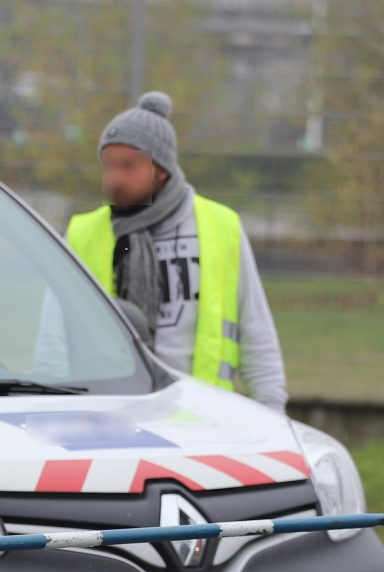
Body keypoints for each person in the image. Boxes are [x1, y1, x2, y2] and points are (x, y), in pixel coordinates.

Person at [63, 91, 288, 413]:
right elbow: (53, 339)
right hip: (110, 415)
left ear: (161, 169)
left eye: (128, 166)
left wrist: (273, 411)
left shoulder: (221, 227)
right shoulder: (83, 234)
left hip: (202, 417)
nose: (115, 178)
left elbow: (256, 332)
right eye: (109, 165)